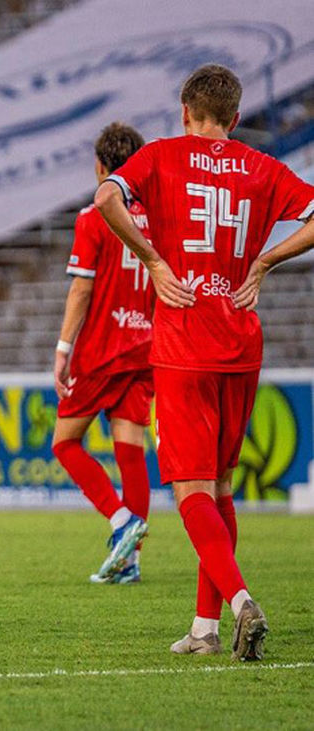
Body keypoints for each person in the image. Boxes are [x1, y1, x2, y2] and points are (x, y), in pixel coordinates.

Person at [95, 63, 314, 660]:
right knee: (218, 490)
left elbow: (106, 196)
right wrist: (265, 262)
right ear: (236, 118)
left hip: (185, 340)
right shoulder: (265, 169)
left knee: (191, 490)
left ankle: (241, 602)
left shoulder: (164, 155)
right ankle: (204, 627)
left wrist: (154, 261)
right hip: (241, 341)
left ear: (185, 112)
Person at [52, 122, 155, 584]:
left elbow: (81, 288)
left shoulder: (95, 216)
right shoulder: (157, 217)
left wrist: (63, 348)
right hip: (147, 346)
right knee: (129, 449)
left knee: (65, 442)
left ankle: (121, 521)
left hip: (103, 349)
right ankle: (128, 562)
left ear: (100, 167)